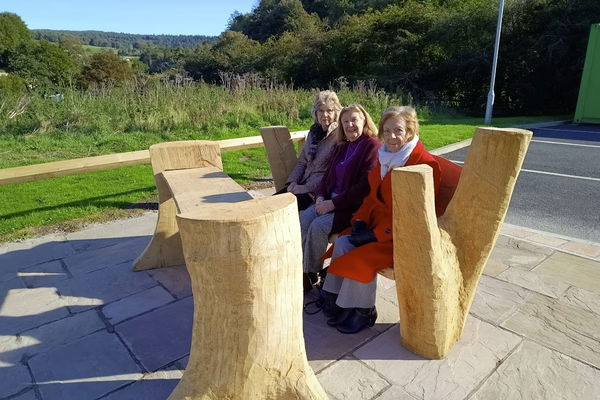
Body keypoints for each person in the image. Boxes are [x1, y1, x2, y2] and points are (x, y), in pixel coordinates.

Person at [319, 105, 462, 334]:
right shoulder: (385, 157)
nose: (392, 137)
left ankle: (363, 312)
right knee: (344, 242)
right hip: (380, 227)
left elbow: (414, 217)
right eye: (387, 131)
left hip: (405, 235)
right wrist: (359, 221)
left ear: (410, 132)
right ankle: (339, 301)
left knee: (361, 258)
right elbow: (371, 198)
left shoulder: (423, 165)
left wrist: (375, 235)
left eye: (398, 131)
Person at [299, 104, 381, 291]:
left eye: (354, 120)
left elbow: (364, 187)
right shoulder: (342, 146)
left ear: (364, 121)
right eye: (345, 122)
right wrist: (320, 197)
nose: (350, 125)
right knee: (304, 219)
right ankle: (302, 268)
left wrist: (332, 204)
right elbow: (327, 177)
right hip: (329, 200)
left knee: (318, 227)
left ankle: (310, 274)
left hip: (351, 207)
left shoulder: (372, 146)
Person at [275, 90, 342, 210]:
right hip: (301, 184)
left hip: (318, 192)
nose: (324, 115)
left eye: (329, 111)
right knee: (268, 202)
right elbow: (302, 161)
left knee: (279, 209)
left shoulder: (339, 136)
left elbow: (331, 173)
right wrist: (292, 183)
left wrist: (306, 188)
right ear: (315, 113)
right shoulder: (314, 132)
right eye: (321, 110)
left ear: (336, 113)